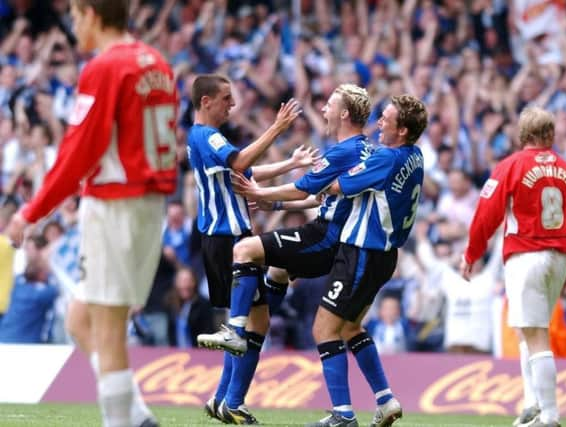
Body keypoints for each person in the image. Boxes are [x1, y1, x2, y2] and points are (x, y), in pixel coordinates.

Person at [5, 1, 180, 426]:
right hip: (146, 203)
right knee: (80, 318)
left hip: (116, 204)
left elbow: (77, 154)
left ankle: (119, 422)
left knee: (107, 330)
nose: (73, 24)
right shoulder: (155, 62)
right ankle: (138, 417)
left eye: (77, 15)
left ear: (92, 14)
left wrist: (31, 213)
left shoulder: (105, 67)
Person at [197, 83, 374, 424]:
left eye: (329, 105)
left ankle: (234, 334)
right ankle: (227, 399)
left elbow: (305, 186)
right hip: (336, 238)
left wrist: (261, 192)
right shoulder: (363, 150)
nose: (323, 110)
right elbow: (323, 195)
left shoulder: (345, 151)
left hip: (323, 237)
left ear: (344, 114)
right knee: (273, 281)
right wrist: (273, 200)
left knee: (245, 249)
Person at [186, 73, 307, 424]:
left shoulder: (207, 139)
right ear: (205, 101)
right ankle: (231, 401)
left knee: (255, 322)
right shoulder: (206, 136)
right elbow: (240, 163)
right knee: (255, 324)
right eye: (226, 98)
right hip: (230, 240)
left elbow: (246, 174)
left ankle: (223, 398)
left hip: (225, 239)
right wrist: (277, 128)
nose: (232, 105)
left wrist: (290, 164)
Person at [306, 94, 427, 427]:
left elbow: (336, 186)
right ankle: (385, 399)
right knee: (349, 327)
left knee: (323, 329)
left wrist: (316, 179)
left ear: (402, 130)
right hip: (384, 257)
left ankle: (343, 413)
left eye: (386, 119)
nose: (378, 123)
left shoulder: (385, 159)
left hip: (360, 251)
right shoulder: (415, 155)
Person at [461, 107, 566, 427]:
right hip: (558, 257)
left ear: (522, 134)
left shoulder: (511, 165)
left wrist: (472, 253)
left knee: (536, 334)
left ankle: (550, 414)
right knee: (526, 330)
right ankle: (532, 404)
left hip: (526, 255)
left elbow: (486, 214)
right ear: (550, 134)